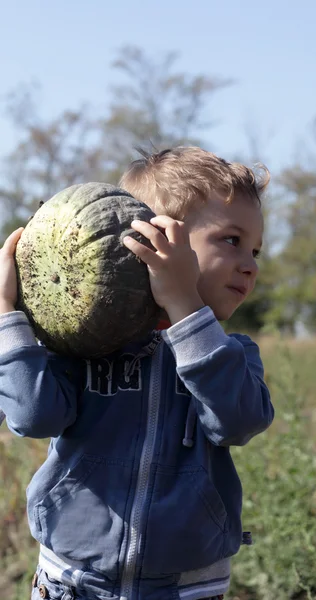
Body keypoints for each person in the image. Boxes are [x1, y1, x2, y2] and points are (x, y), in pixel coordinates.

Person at [0, 146, 274, 600]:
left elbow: (237, 421)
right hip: (71, 582)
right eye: (231, 240)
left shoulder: (232, 354)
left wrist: (186, 308)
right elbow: (33, 416)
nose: (251, 264)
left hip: (187, 589)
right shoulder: (86, 343)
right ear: (152, 237)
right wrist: (7, 316)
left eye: (256, 250)